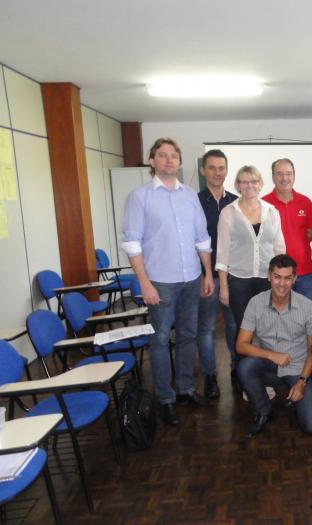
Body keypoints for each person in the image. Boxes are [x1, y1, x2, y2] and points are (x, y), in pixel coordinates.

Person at [122, 137, 214, 426]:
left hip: (191, 278)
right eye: (162, 155)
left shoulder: (189, 196)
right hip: (159, 282)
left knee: (188, 335)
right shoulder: (140, 197)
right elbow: (132, 244)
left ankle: (186, 388)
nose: (169, 160)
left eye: (174, 155)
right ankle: (165, 398)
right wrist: (144, 284)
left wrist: (208, 273)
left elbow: (202, 238)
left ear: (180, 161)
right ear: (152, 161)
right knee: (160, 340)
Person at [236, 254, 312, 438]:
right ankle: (264, 410)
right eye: (277, 277)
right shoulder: (256, 303)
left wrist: (302, 382)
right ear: (269, 276)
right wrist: (270, 355)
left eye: (287, 278)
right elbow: (241, 345)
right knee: (244, 367)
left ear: (294, 279)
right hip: (270, 367)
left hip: (298, 368)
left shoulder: (307, 307)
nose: (281, 284)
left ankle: (297, 392)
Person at [216, 165, 285, 373]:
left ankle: (268, 375)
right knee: (243, 331)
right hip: (239, 281)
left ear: (261, 184)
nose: (249, 185)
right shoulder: (228, 213)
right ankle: (243, 376)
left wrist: (281, 281)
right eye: (244, 181)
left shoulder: (272, 211)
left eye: (253, 181)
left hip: (267, 281)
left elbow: (279, 249)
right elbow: (222, 252)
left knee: (268, 330)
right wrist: (224, 287)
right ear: (237, 185)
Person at [197, 149, 238, 398]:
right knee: (206, 328)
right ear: (203, 170)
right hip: (207, 276)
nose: (216, 172)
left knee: (234, 324)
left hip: (233, 276)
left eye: (221, 167)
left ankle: (236, 369)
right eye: (211, 167)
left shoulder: (235, 201)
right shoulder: (194, 201)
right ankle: (210, 375)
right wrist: (204, 273)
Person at [262, 158, 312, 303]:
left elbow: (310, 233)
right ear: (273, 177)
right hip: (276, 275)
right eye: (279, 174)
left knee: (307, 319)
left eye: (288, 173)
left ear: (294, 176)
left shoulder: (305, 202)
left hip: (304, 272)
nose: (284, 178)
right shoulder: (263, 204)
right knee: (277, 319)